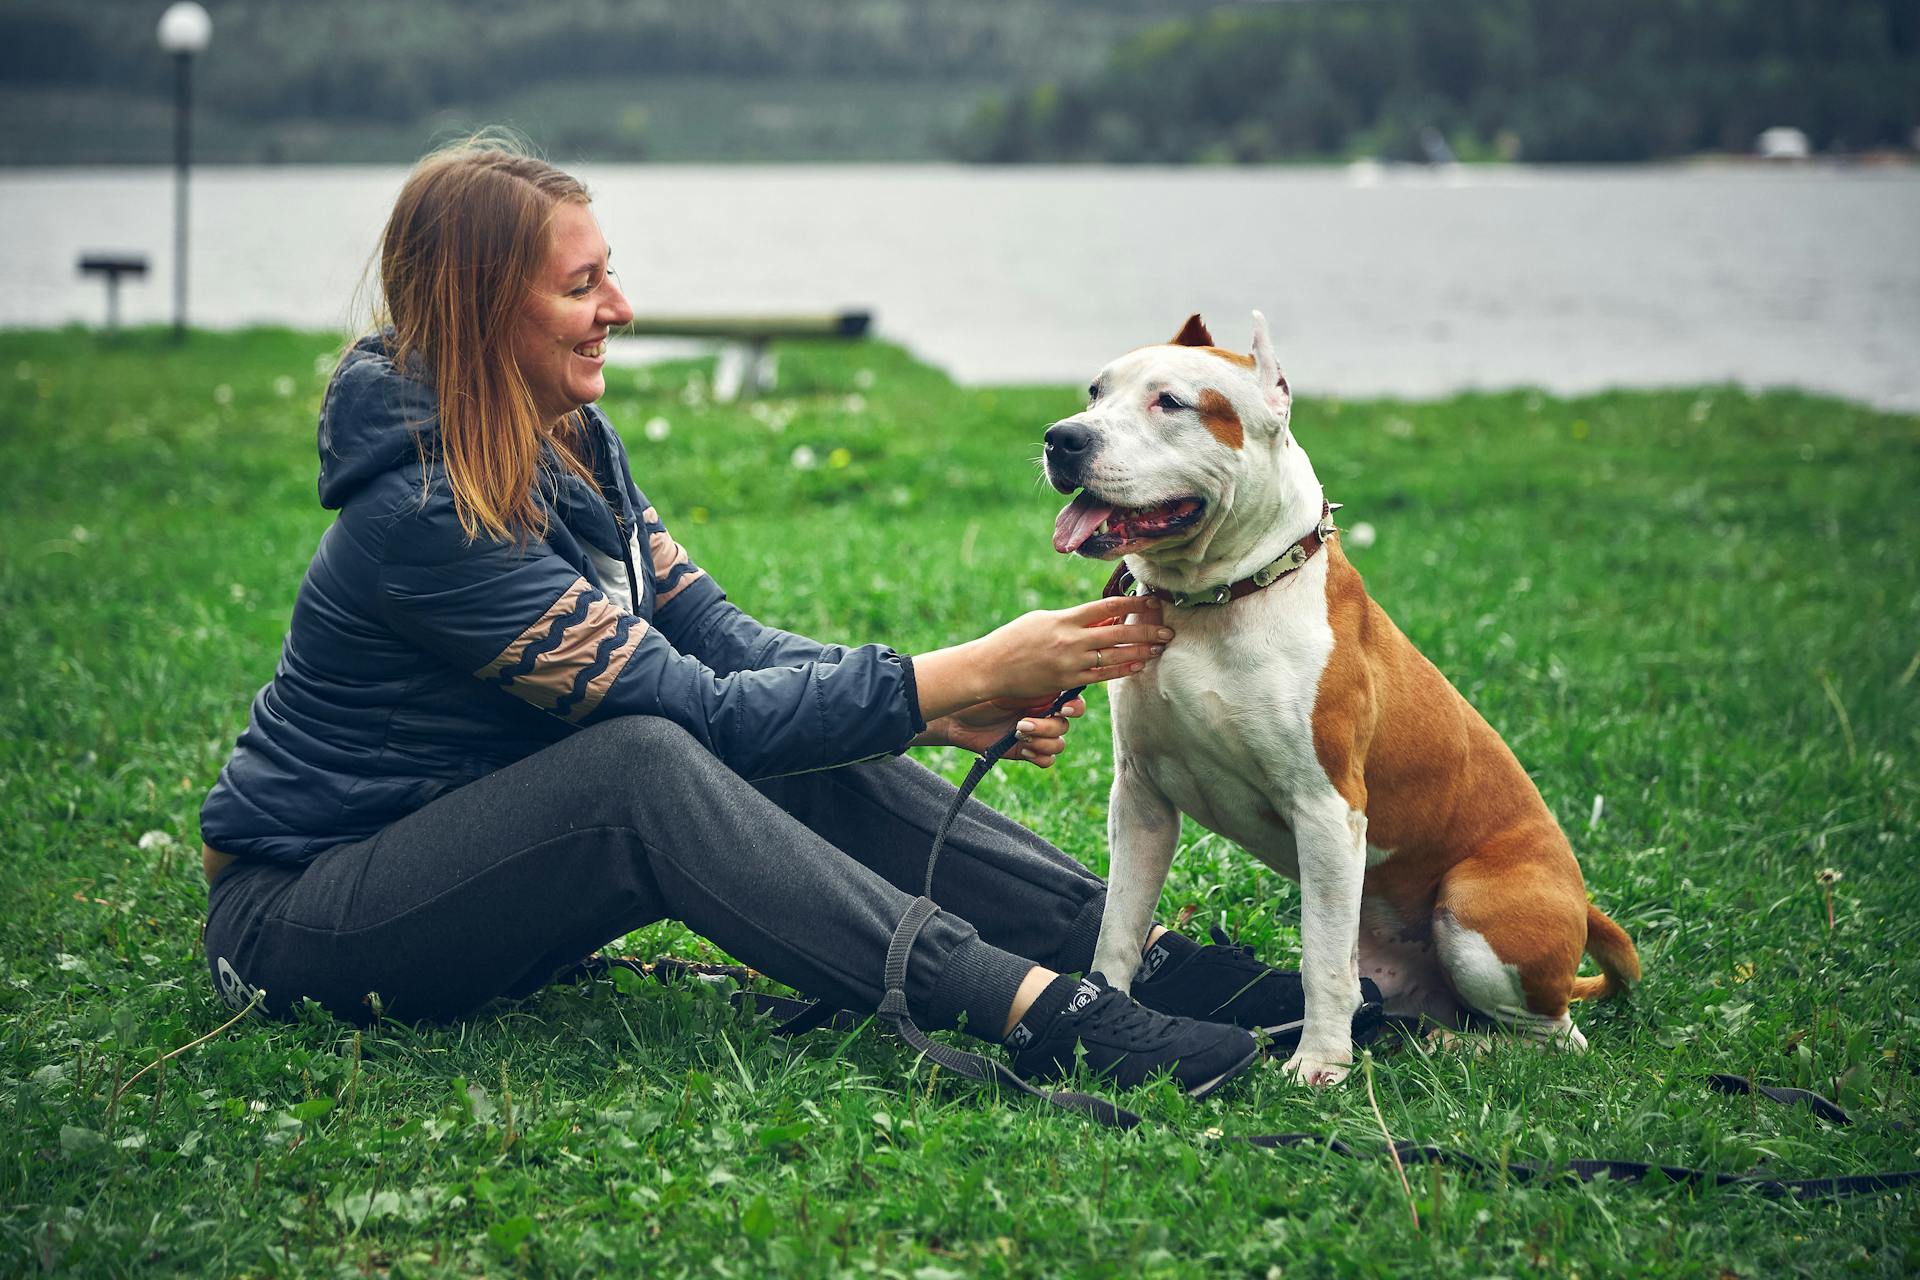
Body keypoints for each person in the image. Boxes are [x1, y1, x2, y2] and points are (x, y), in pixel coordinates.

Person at [197, 140, 1307, 1098]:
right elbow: (701, 715)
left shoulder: (571, 444)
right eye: (585, 287)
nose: (620, 311)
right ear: (488, 308)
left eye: (610, 277)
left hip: (467, 873)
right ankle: (1031, 1008)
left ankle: (1127, 953)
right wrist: (964, 666)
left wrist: (931, 706)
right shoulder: (422, 514)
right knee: (640, 764)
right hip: (306, 917)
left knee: (780, 736)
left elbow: (721, 644)